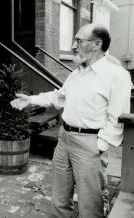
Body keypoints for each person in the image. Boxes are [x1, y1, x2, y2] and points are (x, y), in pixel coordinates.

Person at [10, 23, 133, 218]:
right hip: (64, 139)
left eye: (79, 40)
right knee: (58, 200)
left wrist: (99, 146)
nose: (73, 45)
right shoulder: (77, 73)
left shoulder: (117, 75)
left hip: (90, 144)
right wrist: (30, 99)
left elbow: (117, 118)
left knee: (89, 205)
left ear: (97, 44)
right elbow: (60, 97)